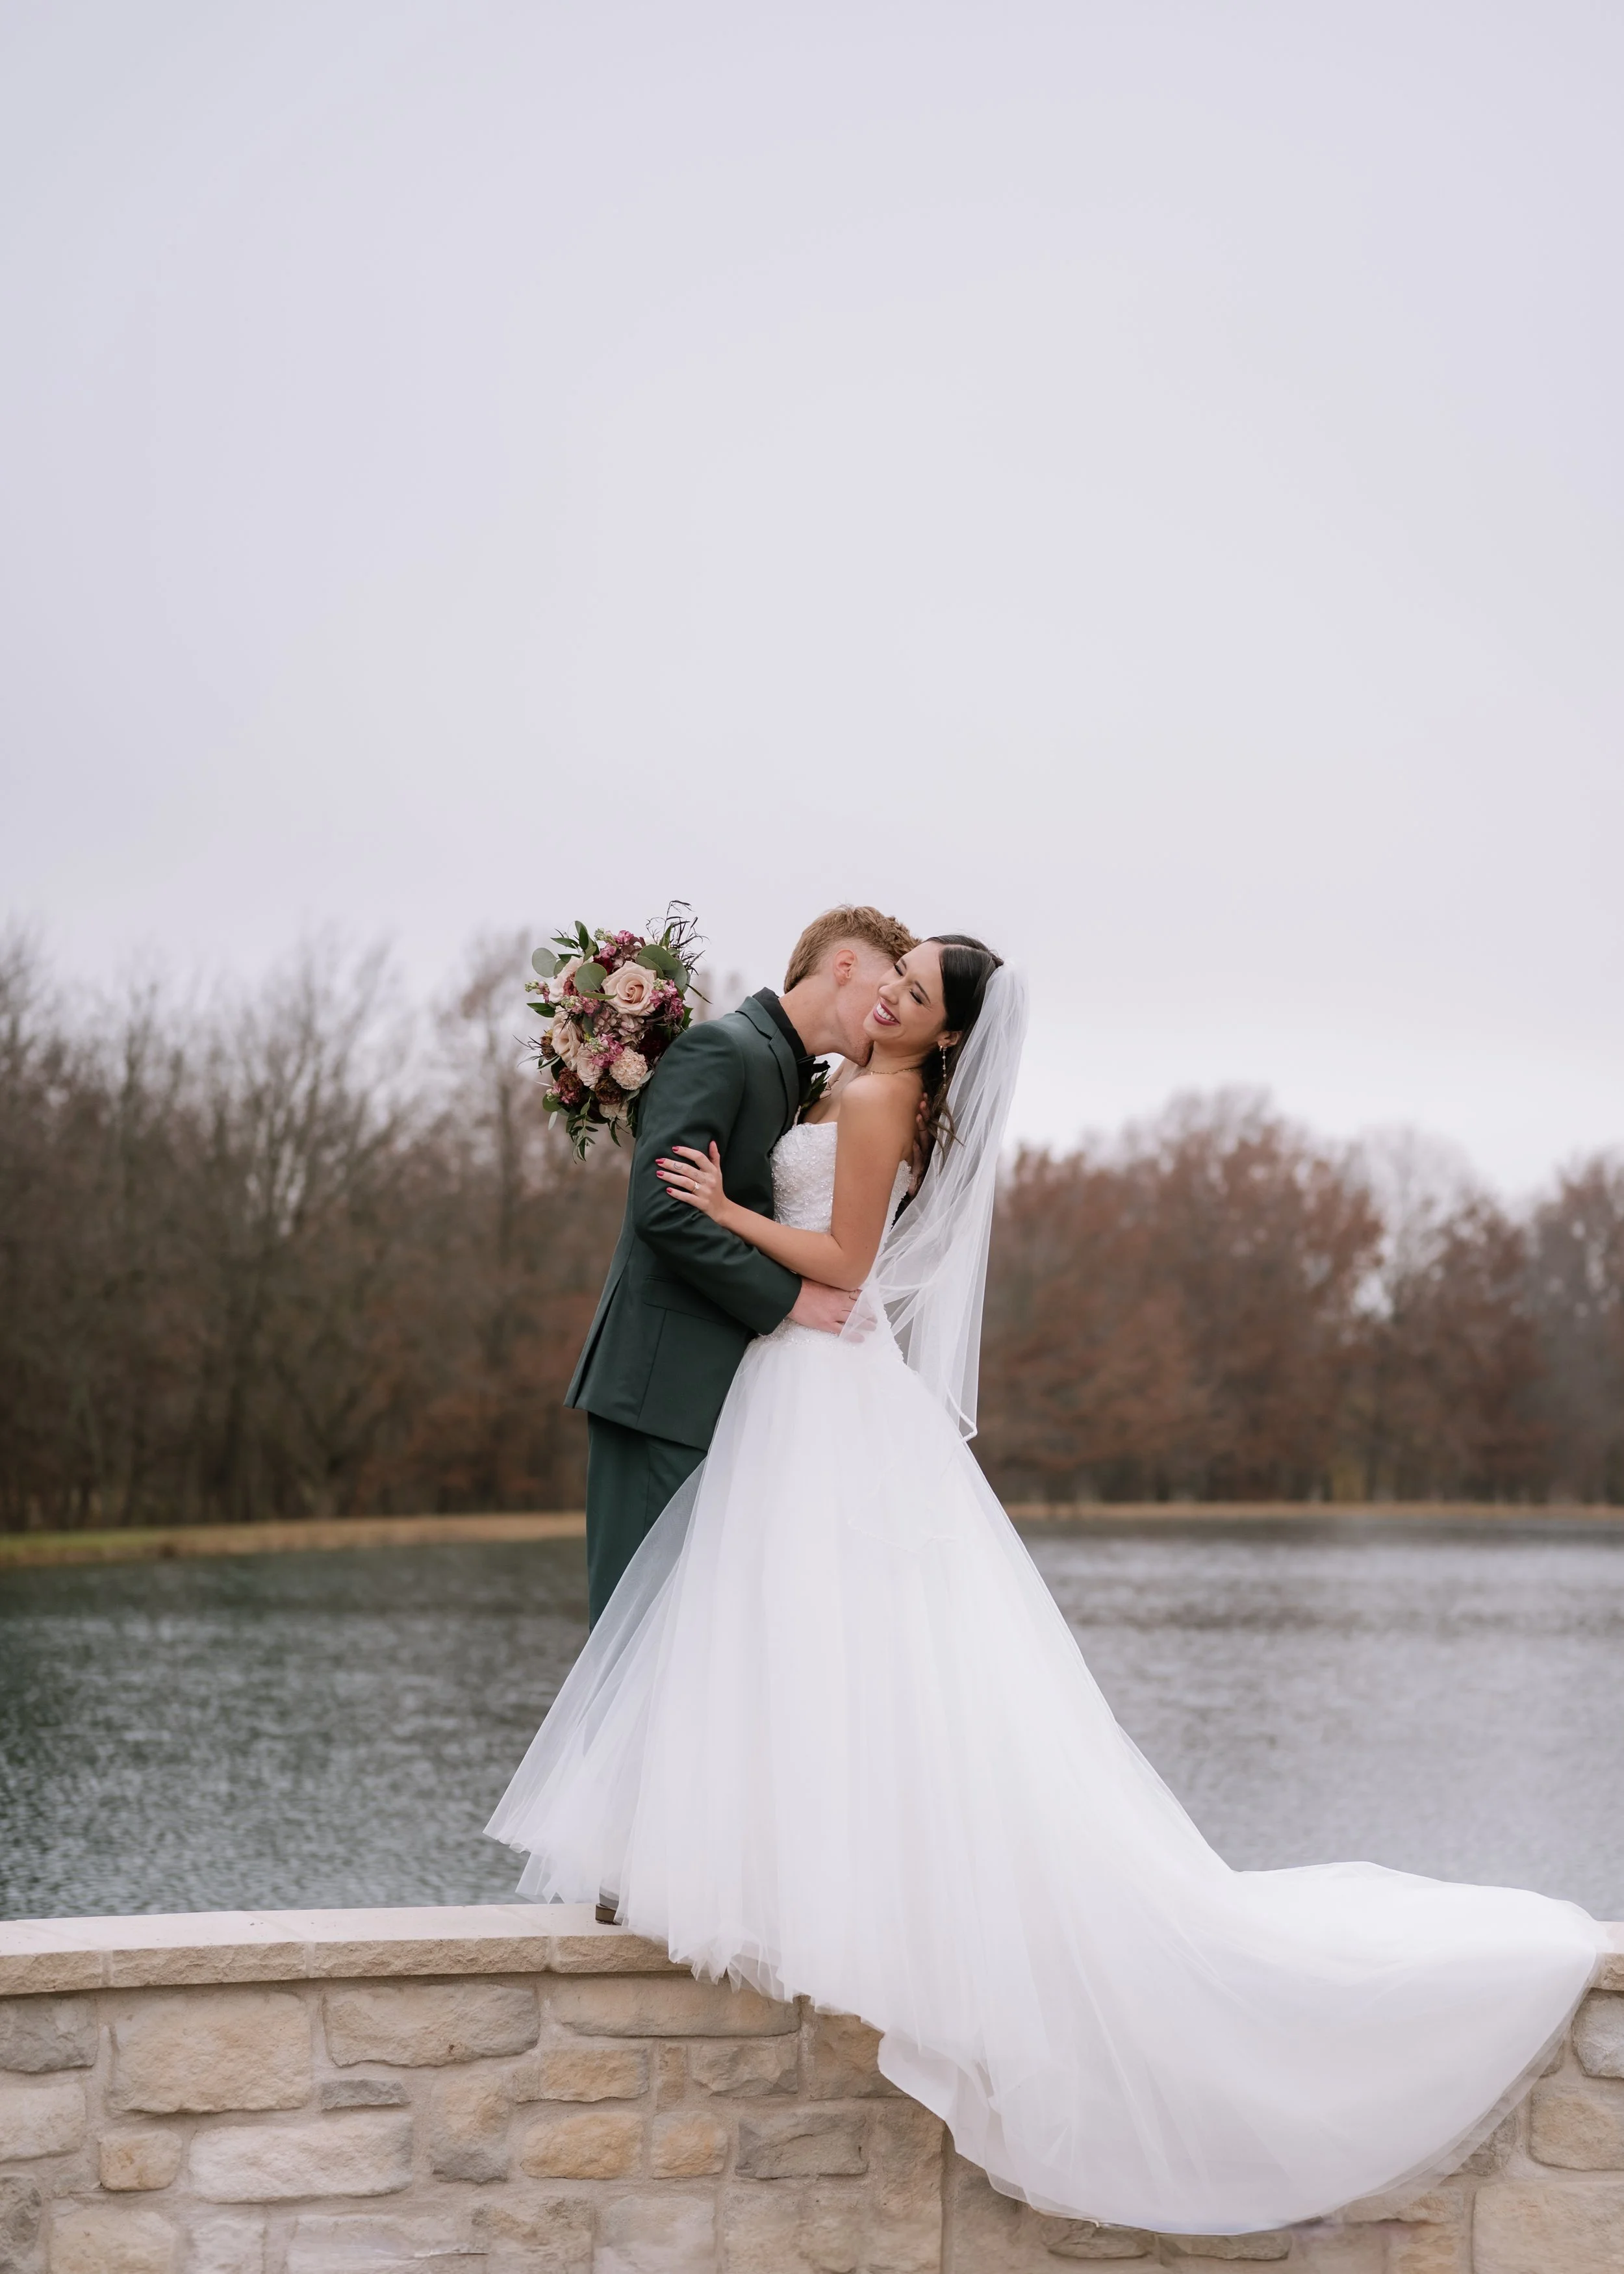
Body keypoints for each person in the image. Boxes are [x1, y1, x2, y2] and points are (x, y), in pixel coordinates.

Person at [488, 936, 1604, 2240]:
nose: (894, 988)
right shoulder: (849, 1086)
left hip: (814, 1372)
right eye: (892, 968)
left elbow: (841, 1267)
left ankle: (806, 1881)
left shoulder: (866, 1097)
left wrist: (727, 1211)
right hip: (812, 1385)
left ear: (948, 1034)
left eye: (918, 988)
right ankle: (800, 1869)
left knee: (799, 1627)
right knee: (812, 1634)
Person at [565, 902, 916, 1628]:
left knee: (698, 1644)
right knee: (636, 1638)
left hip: (733, 1395)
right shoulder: (723, 1048)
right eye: (886, 985)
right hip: (660, 1388)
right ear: (843, 964)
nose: (887, 1008)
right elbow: (663, 1211)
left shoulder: (801, 1080)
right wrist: (790, 1298)